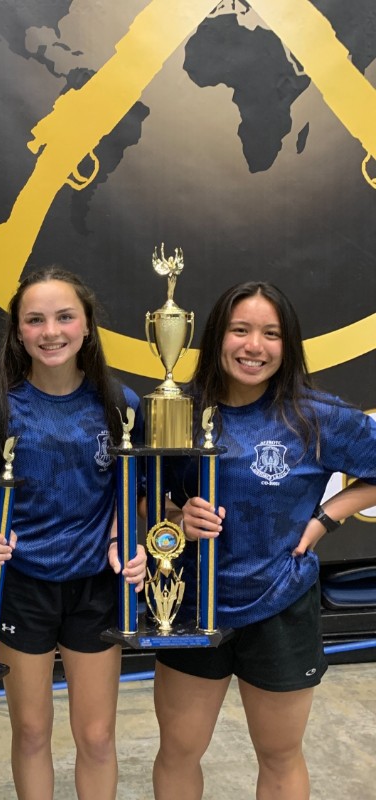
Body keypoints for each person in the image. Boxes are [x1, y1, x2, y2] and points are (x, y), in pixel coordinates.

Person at [152, 281, 376, 800]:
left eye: (270, 334)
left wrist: (325, 518)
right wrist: (175, 518)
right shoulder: (176, 410)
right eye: (240, 330)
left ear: (287, 343)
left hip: (280, 607)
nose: (254, 345)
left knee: (279, 755)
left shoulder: (314, 414)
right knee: (179, 752)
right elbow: (140, 499)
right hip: (189, 604)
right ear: (216, 337)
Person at [0, 267, 147, 800]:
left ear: (87, 326)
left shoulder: (121, 405)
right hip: (21, 586)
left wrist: (124, 536)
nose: (51, 331)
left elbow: (132, 492)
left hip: (96, 586)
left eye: (65, 317)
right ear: (18, 332)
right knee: (32, 731)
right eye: (35, 319)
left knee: (96, 735)